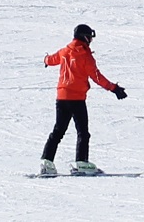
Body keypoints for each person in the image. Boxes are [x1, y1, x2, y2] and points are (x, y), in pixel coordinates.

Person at [38, 23, 125, 176]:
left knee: (58, 131)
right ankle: (82, 162)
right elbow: (97, 76)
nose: (91, 40)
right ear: (85, 37)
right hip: (77, 98)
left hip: (62, 97)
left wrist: (45, 60)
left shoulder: (65, 51)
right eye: (90, 37)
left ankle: (46, 162)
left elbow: (51, 59)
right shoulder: (85, 56)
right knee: (83, 132)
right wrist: (114, 88)